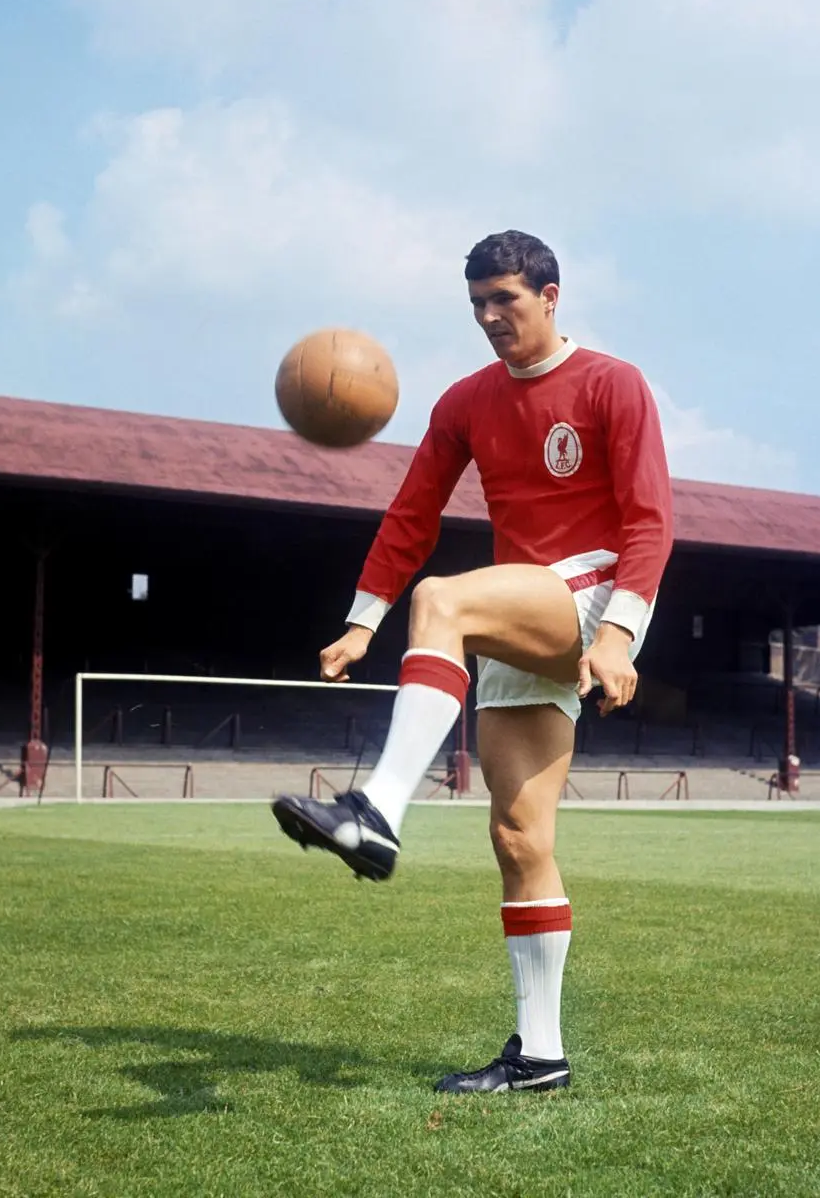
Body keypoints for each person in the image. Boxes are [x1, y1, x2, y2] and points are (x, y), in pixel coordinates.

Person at [273, 231, 674, 1095]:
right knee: (519, 838)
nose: (491, 318)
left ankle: (375, 810)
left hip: (589, 595)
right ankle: (540, 1058)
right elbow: (411, 511)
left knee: (442, 600)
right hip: (516, 618)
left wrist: (619, 635)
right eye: (478, 306)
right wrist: (359, 622)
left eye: (507, 301)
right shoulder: (464, 402)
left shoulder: (613, 384)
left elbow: (650, 520)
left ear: (552, 296)